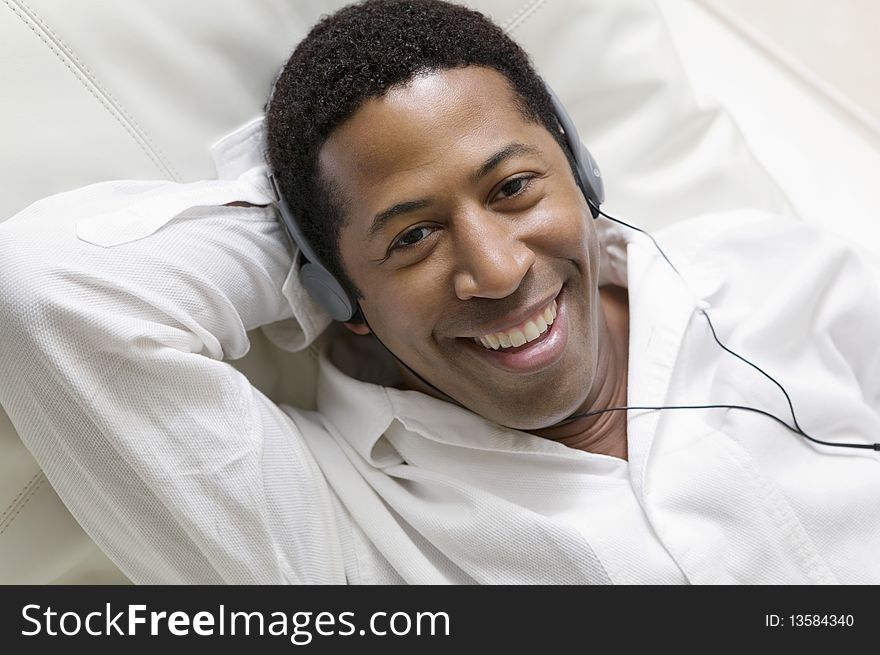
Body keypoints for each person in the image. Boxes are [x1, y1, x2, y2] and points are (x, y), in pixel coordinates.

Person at [0, 0, 878, 584]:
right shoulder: (335, 527)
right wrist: (304, 233)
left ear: (581, 172)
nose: (497, 271)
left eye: (513, 188)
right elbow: (45, 292)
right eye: (412, 235)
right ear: (333, 288)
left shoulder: (780, 277)